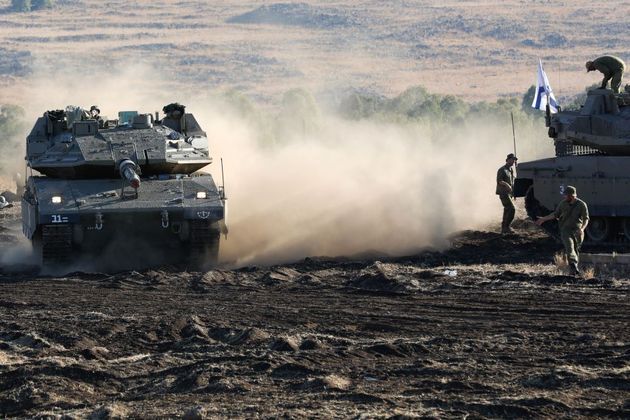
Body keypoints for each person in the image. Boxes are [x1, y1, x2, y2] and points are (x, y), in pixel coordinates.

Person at [535, 185, 589, 275]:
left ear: (571, 195)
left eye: (566, 195)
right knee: (569, 246)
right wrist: (543, 219)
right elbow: (555, 214)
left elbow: (586, 218)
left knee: (576, 249)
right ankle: (573, 266)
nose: (564, 196)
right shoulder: (563, 204)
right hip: (565, 230)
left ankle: (573, 269)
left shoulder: (581, 205)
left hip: (577, 230)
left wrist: (582, 229)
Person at [496, 153, 517, 234]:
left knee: (507, 209)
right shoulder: (502, 170)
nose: (513, 161)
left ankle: (504, 228)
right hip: (503, 193)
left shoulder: (511, 170)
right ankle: (507, 227)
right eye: (511, 159)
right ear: (507, 160)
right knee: (512, 209)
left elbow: (512, 181)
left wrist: (513, 192)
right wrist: (507, 185)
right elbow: (499, 181)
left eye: (514, 160)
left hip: (508, 193)